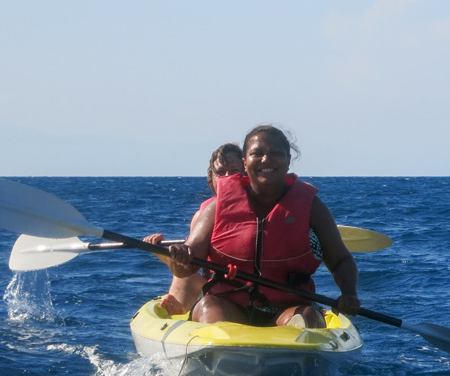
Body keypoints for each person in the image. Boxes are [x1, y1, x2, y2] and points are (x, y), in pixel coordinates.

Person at [159, 125, 361, 327]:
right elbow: (187, 267)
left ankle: (296, 348)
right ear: (245, 162)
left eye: (276, 153)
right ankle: (222, 349)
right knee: (208, 307)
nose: (266, 159)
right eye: (257, 153)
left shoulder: (312, 207)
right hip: (228, 305)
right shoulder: (217, 207)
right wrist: (181, 258)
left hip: (288, 309)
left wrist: (349, 294)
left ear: (289, 160)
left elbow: (341, 260)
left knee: (307, 317)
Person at [145, 143, 244, 315]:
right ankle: (181, 307)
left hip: (252, 286)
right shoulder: (203, 216)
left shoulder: (262, 210)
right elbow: (191, 264)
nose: (227, 177)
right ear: (211, 178)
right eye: (220, 172)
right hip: (216, 288)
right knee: (183, 265)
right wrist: (163, 252)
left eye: (234, 171)